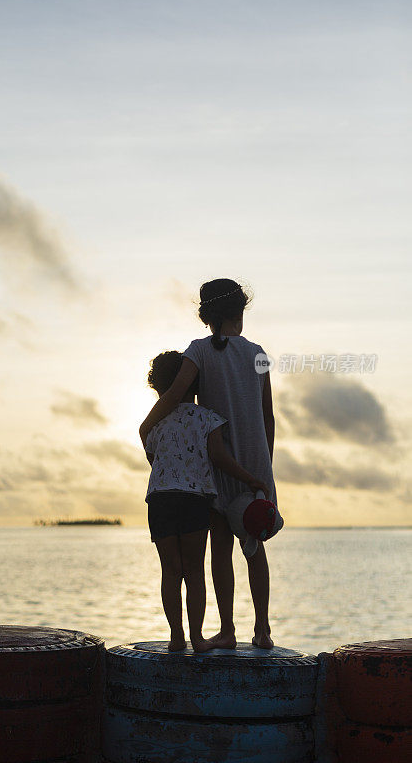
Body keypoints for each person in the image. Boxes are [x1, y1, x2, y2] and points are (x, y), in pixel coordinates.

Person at [140, 278, 279, 650]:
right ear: (240, 314)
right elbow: (268, 417)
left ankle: (228, 630)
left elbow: (174, 395)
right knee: (253, 545)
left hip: (215, 463)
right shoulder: (259, 353)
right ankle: (263, 630)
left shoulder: (198, 352)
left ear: (205, 317)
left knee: (220, 549)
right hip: (253, 462)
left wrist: (147, 425)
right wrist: (264, 466)